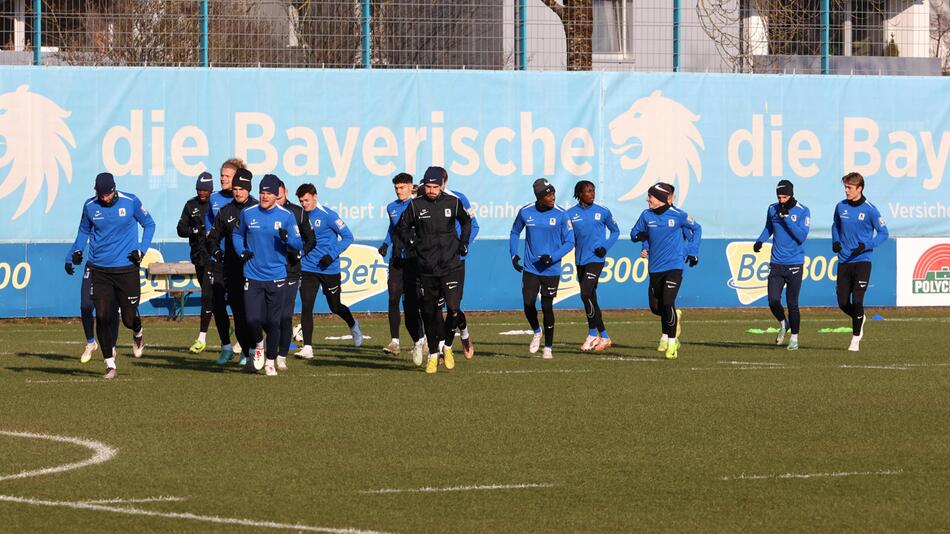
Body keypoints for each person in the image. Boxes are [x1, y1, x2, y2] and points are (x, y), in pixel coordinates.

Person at [65, 172, 155, 379]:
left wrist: (141, 249)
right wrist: (77, 251)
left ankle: (138, 332)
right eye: (101, 194)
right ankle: (109, 364)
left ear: (114, 189)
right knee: (104, 317)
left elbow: (149, 224)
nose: (104, 198)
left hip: (127, 269)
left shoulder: (131, 201)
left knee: (128, 318)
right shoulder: (89, 206)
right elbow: (83, 231)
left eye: (107, 194)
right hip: (100, 270)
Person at [393, 167, 472, 374]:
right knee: (429, 312)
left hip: (451, 265)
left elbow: (466, 221)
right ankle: (433, 354)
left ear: (442, 185)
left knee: (453, 308)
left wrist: (464, 242)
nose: (431, 190)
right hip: (426, 267)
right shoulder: (415, 205)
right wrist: (410, 241)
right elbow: (401, 227)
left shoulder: (453, 202)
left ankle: (447, 347)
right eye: (428, 186)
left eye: (435, 187)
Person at [233, 174, 302, 376]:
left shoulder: (287, 216)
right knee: (252, 319)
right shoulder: (248, 213)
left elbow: (298, 244)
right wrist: (241, 251)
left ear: (276, 195)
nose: (264, 196)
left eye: (269, 193)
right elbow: (237, 234)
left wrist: (287, 238)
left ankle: (270, 361)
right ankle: (258, 344)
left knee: (274, 322)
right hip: (252, 275)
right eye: (262, 192)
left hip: (277, 276)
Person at [630, 183, 701, 360]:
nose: (647, 199)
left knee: (667, 302)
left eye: (650, 197)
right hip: (655, 267)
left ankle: (671, 343)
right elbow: (635, 233)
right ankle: (674, 318)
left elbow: (696, 229)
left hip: (674, 266)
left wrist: (692, 252)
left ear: (660, 199)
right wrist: (642, 240)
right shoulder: (646, 215)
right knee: (656, 307)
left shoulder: (678, 215)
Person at [509, 179, 574, 360]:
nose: (553, 197)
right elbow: (515, 232)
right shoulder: (525, 212)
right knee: (528, 304)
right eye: (548, 195)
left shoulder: (562, 215)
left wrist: (553, 256)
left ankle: (548, 348)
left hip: (551, 269)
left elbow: (570, 241)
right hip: (531, 268)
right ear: (539, 197)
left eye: (553, 193)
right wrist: (513, 254)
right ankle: (537, 331)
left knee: (547, 307)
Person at [294, 183, 361, 359]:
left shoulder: (328, 215)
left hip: (329, 268)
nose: (304, 204)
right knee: (307, 306)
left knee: (335, 306)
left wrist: (331, 255)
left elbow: (348, 237)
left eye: (306, 200)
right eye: (301, 201)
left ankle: (353, 325)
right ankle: (308, 347)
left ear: (315, 196)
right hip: (308, 268)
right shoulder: (299, 216)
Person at [832, 172, 889, 352]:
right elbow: (835, 225)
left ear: (859, 188)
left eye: (849, 187)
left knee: (857, 301)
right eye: (845, 187)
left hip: (862, 261)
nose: (846, 191)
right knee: (842, 303)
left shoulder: (870, 210)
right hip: (843, 261)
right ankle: (860, 316)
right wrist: (835, 241)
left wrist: (866, 245)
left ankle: (855, 340)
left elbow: (883, 233)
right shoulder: (840, 207)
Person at [208, 168, 258, 367]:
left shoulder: (258, 208)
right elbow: (212, 239)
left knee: (253, 314)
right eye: (235, 188)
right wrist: (217, 252)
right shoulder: (225, 211)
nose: (238, 192)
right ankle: (246, 351)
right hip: (232, 269)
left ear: (248, 189)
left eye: (242, 189)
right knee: (238, 312)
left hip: (255, 269)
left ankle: (261, 350)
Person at [753, 179, 811, 351]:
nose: (781, 200)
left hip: (795, 264)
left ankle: (794, 338)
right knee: (773, 301)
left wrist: (787, 219)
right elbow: (768, 228)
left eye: (784, 197)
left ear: (791, 194)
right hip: (777, 264)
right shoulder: (772, 208)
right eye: (779, 197)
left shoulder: (803, 211)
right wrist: (760, 241)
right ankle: (783, 323)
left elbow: (801, 236)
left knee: (792, 303)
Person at [377, 172, 426, 364]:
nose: (399, 191)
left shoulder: (418, 206)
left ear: (410, 187)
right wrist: (385, 243)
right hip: (397, 259)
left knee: (415, 301)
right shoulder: (392, 207)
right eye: (396, 188)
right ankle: (394, 341)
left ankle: (422, 339)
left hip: (414, 260)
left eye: (402, 187)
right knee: (393, 297)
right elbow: (393, 228)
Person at [567, 180, 620, 351]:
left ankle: (591, 334)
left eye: (593, 190)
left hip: (596, 260)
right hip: (580, 260)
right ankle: (603, 336)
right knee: (591, 299)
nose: (592, 193)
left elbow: (615, 231)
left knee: (585, 294)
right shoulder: (570, 214)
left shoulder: (603, 212)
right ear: (580, 194)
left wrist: (604, 247)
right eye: (588, 191)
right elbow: (567, 237)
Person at [204, 158, 245, 361]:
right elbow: (210, 222)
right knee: (217, 303)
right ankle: (226, 346)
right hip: (218, 260)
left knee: (240, 307)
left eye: (227, 176)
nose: (222, 179)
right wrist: (208, 232)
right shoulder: (214, 199)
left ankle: (246, 348)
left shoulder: (247, 202)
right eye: (221, 175)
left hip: (239, 262)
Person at [176, 172, 218, 355]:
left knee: (207, 296)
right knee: (212, 297)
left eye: (205, 189)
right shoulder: (190, 204)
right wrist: (195, 229)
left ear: (211, 190)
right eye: (199, 189)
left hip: (215, 258)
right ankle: (226, 328)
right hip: (198, 257)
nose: (202, 192)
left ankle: (201, 338)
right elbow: (180, 229)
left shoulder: (216, 203)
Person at [275, 181, 316, 370]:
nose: (276, 200)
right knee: (265, 313)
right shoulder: (260, 212)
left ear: (286, 193)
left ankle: (280, 354)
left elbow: (311, 240)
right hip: (267, 271)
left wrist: (299, 253)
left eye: (280, 196)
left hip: (291, 270)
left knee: (285, 314)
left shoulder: (297, 213)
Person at [439, 167, 478, 359]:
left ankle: (464, 334)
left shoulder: (459, 198)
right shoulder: (422, 199)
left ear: (445, 181)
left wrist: (462, 246)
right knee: (433, 307)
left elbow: (474, 225)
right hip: (432, 262)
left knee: (452, 307)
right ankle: (439, 349)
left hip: (455, 261)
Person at [66, 236, 119, 364]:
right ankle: (91, 343)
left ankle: (111, 346)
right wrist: (69, 259)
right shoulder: (94, 216)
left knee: (111, 309)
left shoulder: (118, 220)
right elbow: (82, 236)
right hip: (93, 267)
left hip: (114, 268)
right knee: (85, 305)